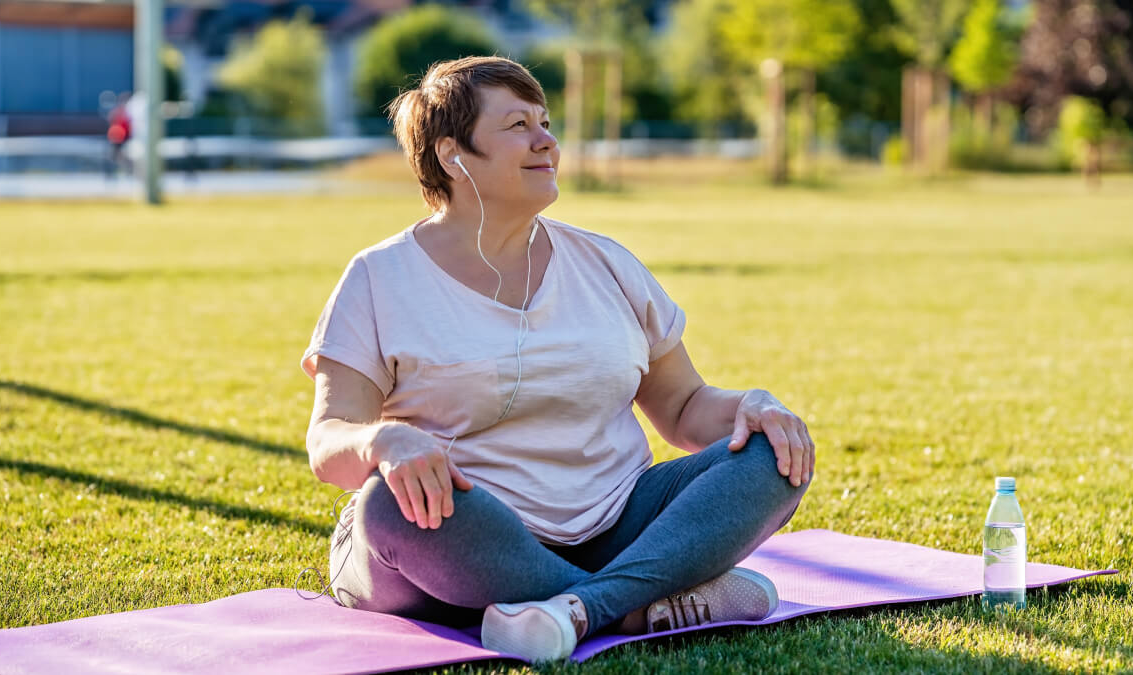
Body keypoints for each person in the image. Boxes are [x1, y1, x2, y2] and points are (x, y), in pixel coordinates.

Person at [301, 56, 815, 663]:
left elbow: (683, 407)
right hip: (461, 536)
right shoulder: (380, 277)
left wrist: (753, 407)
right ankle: (636, 603)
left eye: (545, 122)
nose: (547, 140)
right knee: (386, 505)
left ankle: (578, 607)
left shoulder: (604, 263)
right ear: (451, 155)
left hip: (614, 527)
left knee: (770, 454)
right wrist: (383, 443)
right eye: (518, 124)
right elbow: (328, 441)